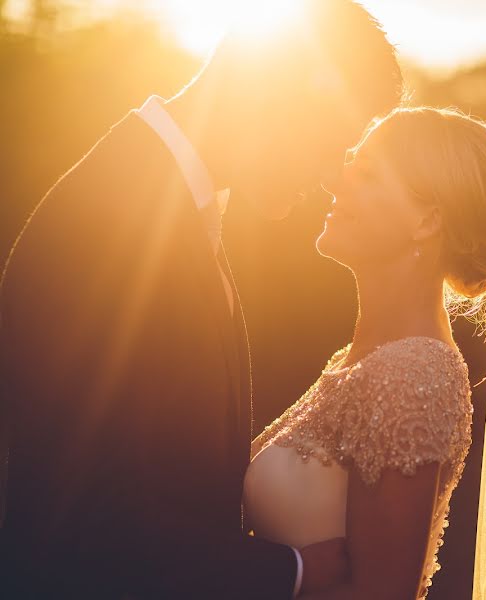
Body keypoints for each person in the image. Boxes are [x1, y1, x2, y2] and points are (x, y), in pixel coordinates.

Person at [0, 2, 402, 597]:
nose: (326, 176)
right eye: (330, 143)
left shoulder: (169, 204)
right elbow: (84, 514)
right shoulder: (108, 221)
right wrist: (291, 573)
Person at [244, 107, 486, 599]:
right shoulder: (359, 360)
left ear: (426, 220)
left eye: (367, 173)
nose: (335, 184)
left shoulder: (412, 373)